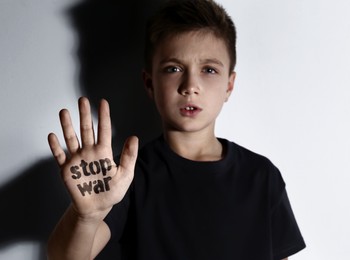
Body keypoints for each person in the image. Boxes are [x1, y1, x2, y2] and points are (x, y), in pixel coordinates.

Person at [47, 0, 306, 259]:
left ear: (229, 85)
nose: (190, 85)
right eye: (174, 68)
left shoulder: (261, 176)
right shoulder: (122, 178)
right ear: (150, 83)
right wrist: (86, 217)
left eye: (209, 70)